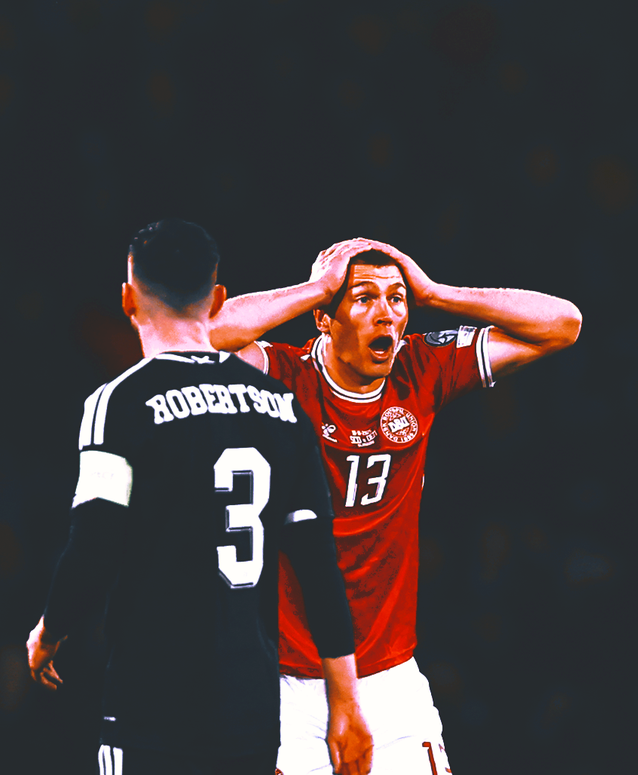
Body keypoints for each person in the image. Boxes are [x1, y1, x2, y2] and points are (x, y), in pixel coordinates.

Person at [207, 237, 581, 774]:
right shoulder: (284, 375)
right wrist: (317, 287)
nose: (386, 313)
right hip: (288, 683)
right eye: (363, 298)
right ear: (323, 318)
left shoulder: (420, 367)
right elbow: (203, 337)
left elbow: (562, 324)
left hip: (389, 678)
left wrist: (437, 293)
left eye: (396, 299)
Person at [25, 220, 372, 775]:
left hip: (152, 708)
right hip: (252, 712)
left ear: (128, 299)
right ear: (216, 299)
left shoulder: (119, 402)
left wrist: (51, 630)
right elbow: (318, 568)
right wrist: (346, 701)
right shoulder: (281, 406)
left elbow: (94, 544)